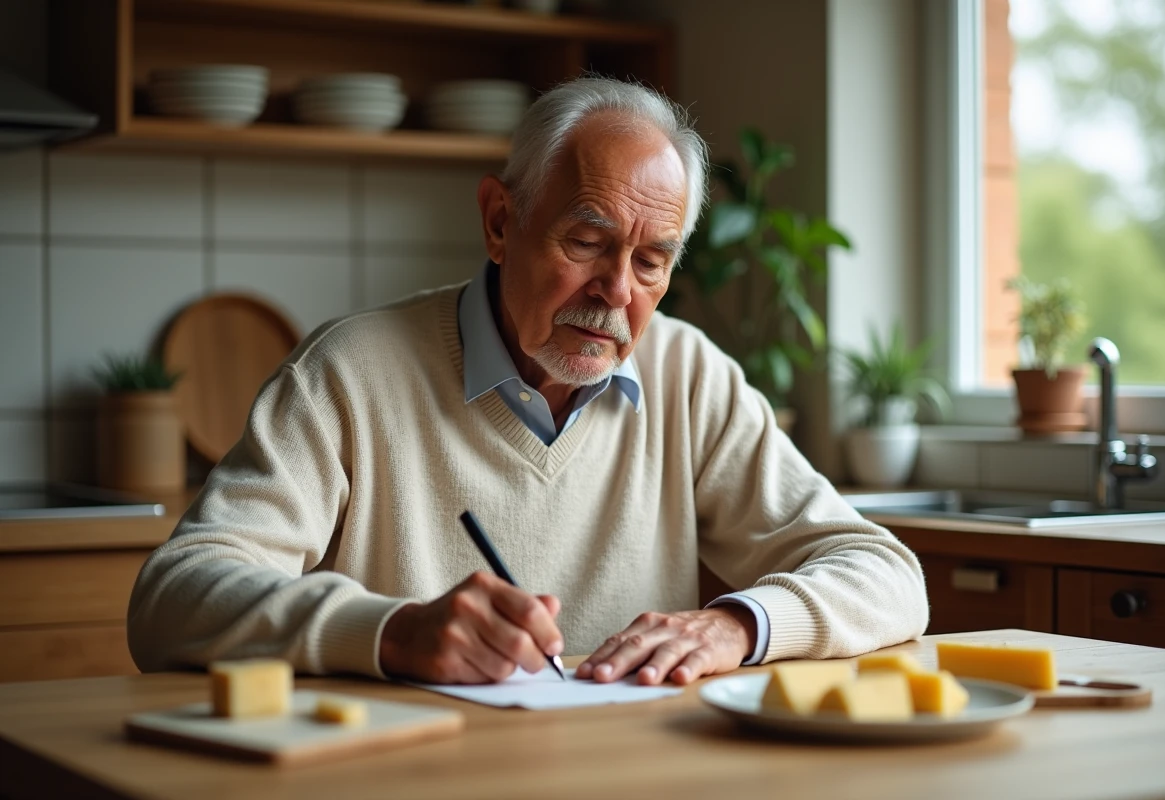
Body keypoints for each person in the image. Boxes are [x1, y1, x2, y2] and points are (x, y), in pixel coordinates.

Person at [127, 77, 928, 687]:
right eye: (586, 241)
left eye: (652, 262)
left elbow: (886, 574)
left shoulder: (690, 375)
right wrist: (392, 631)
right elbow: (172, 599)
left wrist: (738, 626)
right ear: (501, 222)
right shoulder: (348, 373)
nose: (617, 291)